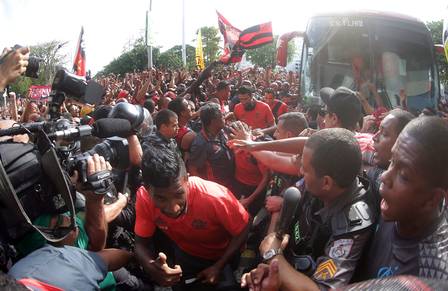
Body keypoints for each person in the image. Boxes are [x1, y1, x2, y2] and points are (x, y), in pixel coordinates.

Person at [241, 128, 375, 290]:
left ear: (326, 183)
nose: (300, 171)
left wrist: (272, 255)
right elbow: (313, 145)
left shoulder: (353, 223)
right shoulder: (326, 175)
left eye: (305, 168)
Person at [134, 146, 250, 291]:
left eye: (178, 194)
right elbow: (140, 244)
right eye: (160, 198)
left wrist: (218, 266)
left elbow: (243, 227)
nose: (173, 208)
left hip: (223, 256)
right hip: (186, 254)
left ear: (186, 180)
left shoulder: (215, 197)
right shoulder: (144, 199)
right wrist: (151, 267)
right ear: (146, 188)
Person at [354, 116, 448, 281]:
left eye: (404, 176)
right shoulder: (395, 202)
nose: (384, 177)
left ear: (432, 200)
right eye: (392, 161)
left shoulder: (431, 275)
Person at [189, 103, 235, 190]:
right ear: (213, 121)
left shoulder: (223, 130)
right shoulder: (201, 143)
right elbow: (193, 170)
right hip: (217, 188)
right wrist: (207, 190)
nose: (224, 118)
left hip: (230, 183)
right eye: (221, 117)